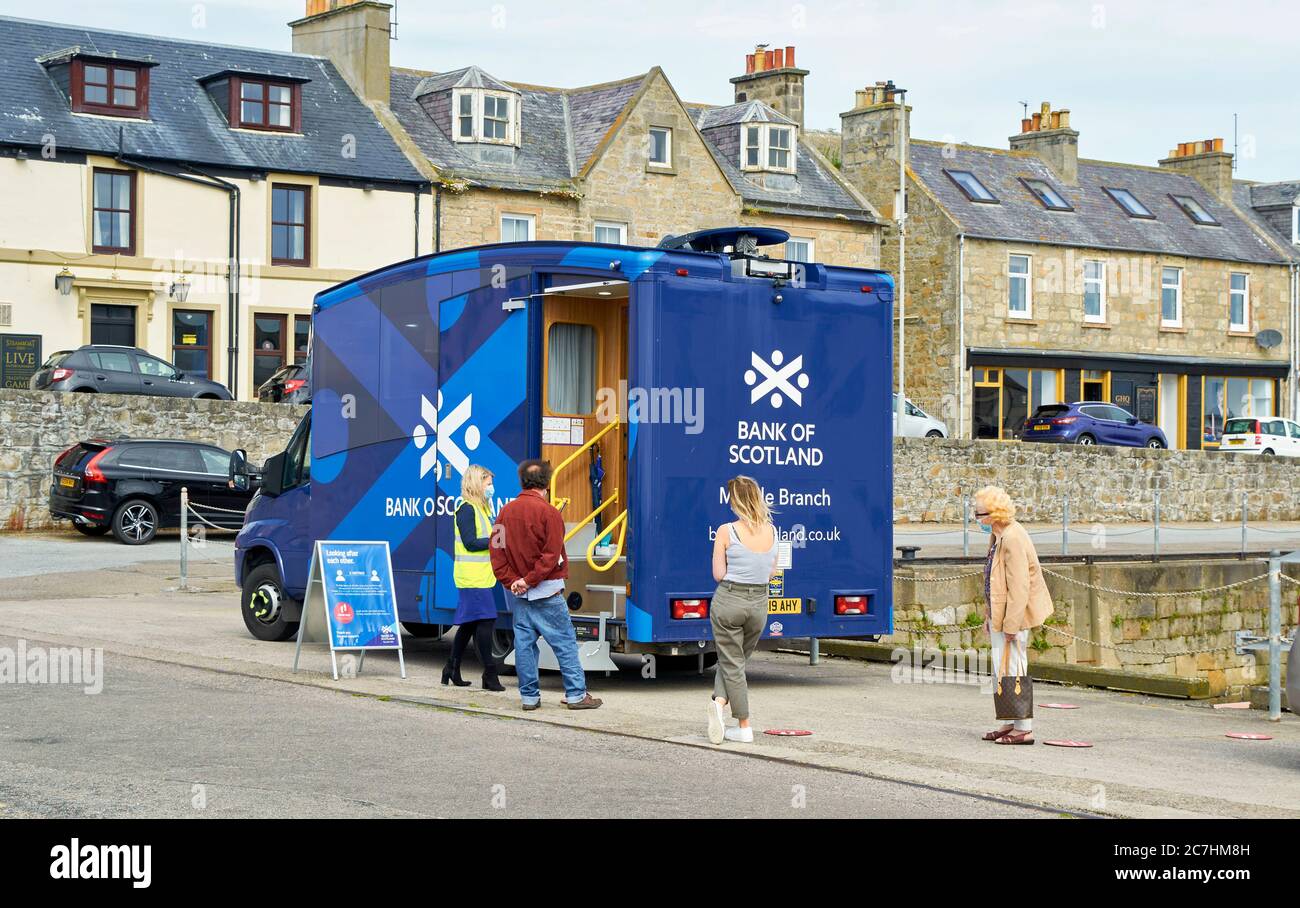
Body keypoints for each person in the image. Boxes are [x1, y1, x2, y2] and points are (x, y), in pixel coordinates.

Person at [489, 459, 602, 711]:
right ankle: (575, 694)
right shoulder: (550, 513)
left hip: (519, 595)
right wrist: (528, 581)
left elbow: (497, 552)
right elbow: (551, 556)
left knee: (524, 647)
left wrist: (514, 582)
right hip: (547, 591)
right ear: (547, 483)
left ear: (522, 482)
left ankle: (529, 698)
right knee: (564, 642)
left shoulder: (504, 513)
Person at [974, 486, 1054, 745]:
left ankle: (1024, 729)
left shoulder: (1012, 538)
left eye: (978, 515)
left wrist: (1011, 624)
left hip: (1014, 616)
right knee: (1002, 668)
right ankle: (1010, 721)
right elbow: (994, 579)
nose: (976, 520)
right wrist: (989, 614)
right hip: (1000, 613)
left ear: (993, 515)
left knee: (1014, 667)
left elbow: (1019, 587)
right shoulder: (999, 536)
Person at [706, 475, 778, 745]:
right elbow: (771, 573)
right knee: (734, 663)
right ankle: (719, 701)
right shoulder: (773, 531)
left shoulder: (726, 531)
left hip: (729, 601)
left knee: (732, 663)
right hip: (759, 605)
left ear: (734, 500)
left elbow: (718, 573)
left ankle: (743, 725)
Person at [444, 465, 505, 692]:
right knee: (487, 621)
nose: (492, 488)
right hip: (471, 579)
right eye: (488, 484)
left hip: (480, 577)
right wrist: (496, 542)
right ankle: (490, 673)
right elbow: (470, 542)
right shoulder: (466, 509)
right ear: (477, 484)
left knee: (469, 624)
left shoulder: (482, 508)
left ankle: (451, 667)